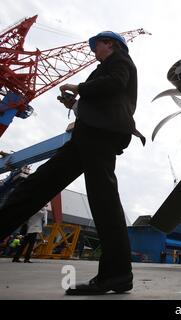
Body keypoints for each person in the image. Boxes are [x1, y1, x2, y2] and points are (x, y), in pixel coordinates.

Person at [0, 31, 145, 295]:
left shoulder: (120, 62)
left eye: (96, 46)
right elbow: (103, 98)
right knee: (38, 185)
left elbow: (114, 84)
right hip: (86, 136)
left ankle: (117, 274)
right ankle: (118, 274)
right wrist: (76, 103)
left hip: (100, 136)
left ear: (110, 44)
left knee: (103, 200)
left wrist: (80, 88)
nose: (93, 51)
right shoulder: (105, 68)